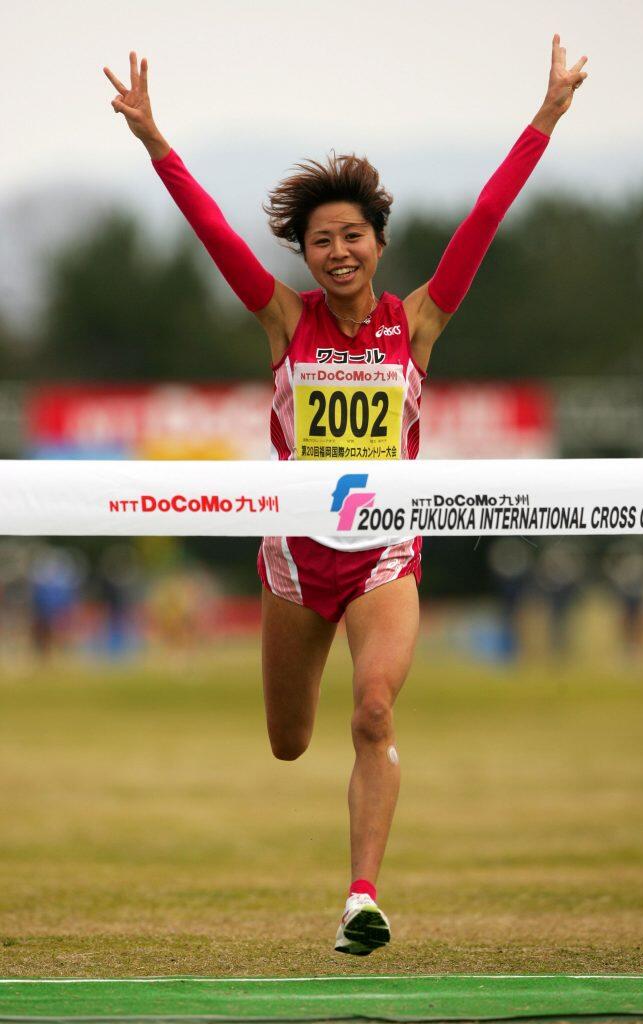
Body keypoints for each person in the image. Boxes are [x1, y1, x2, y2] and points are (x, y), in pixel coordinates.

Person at [104, 37, 587, 955]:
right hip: (295, 563)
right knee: (288, 741)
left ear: (378, 243)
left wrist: (548, 115)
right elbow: (214, 235)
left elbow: (485, 217)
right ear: (305, 252)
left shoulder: (420, 323)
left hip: (383, 557)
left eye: (352, 236)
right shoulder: (284, 320)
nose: (337, 251)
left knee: (372, 710)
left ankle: (361, 898)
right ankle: (336, 828)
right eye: (320, 240)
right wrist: (154, 140)